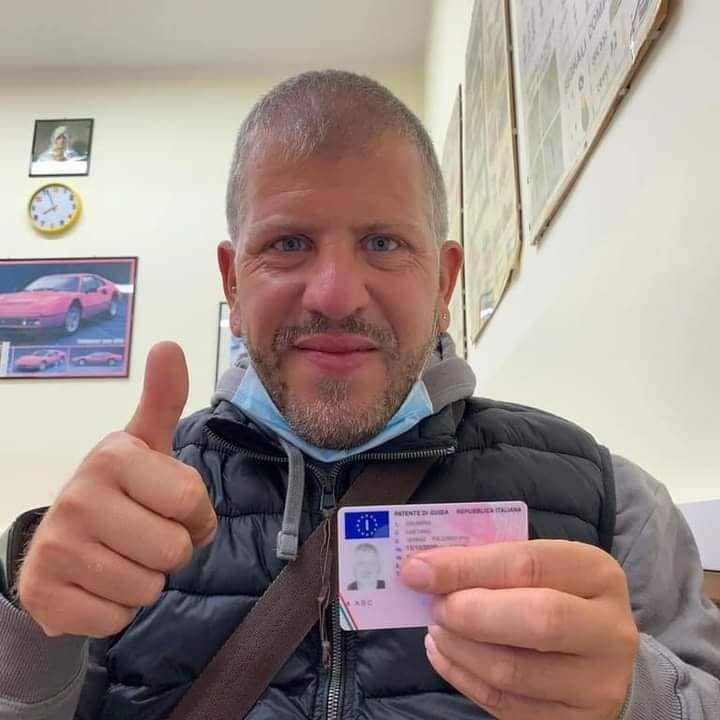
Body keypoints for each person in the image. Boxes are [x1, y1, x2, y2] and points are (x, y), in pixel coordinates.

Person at [1, 70, 719, 720]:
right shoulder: (129, 512)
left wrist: (636, 697)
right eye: (288, 244)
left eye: (382, 243)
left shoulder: (612, 501)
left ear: (443, 283)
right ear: (232, 282)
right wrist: (34, 627)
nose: (336, 295)